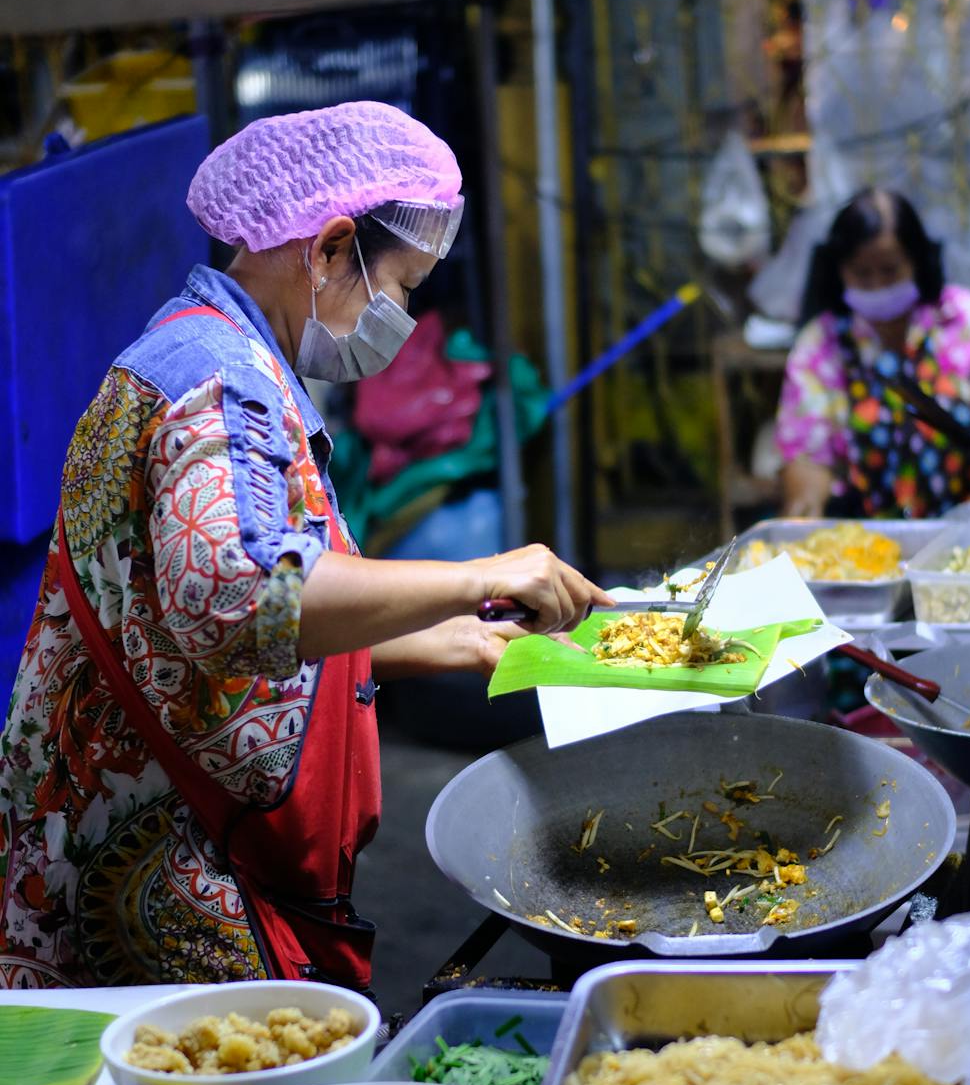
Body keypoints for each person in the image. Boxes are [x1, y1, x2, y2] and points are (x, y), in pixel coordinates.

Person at [0, 102, 608, 991]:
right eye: (402, 286)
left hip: (163, 844)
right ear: (327, 250)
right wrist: (477, 574)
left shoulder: (223, 359)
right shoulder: (216, 385)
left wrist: (451, 641)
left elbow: (190, 625)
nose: (402, 315)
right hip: (152, 871)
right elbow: (240, 600)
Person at [775, 188, 970, 519]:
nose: (877, 285)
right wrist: (805, 503)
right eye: (861, 273)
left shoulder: (966, 319)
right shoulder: (821, 346)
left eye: (889, 270)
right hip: (870, 537)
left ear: (916, 261)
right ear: (839, 271)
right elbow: (806, 453)